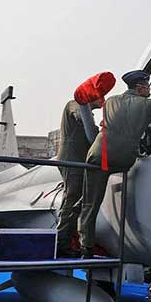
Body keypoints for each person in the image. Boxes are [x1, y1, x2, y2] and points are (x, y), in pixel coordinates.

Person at [78, 70, 151, 257]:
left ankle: (86, 247)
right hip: (125, 160)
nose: (149, 90)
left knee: (90, 203)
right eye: (148, 86)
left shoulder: (110, 101)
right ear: (141, 87)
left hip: (99, 156)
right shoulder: (147, 104)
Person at [56, 72, 115, 257]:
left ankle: (70, 241)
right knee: (71, 200)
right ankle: (61, 245)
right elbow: (79, 116)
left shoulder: (88, 112)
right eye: (101, 95)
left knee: (78, 203)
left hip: (82, 162)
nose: (103, 100)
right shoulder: (76, 104)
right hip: (72, 160)